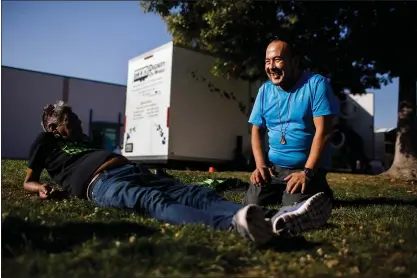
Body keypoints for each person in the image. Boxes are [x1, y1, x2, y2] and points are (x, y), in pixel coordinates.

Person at [24, 102, 279, 245]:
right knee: (153, 201)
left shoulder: (85, 138)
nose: (79, 122)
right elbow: (29, 181)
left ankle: (276, 217)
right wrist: (41, 188)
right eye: (72, 119)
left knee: (194, 193)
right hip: (101, 183)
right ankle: (235, 225)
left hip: (133, 170)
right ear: (53, 127)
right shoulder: (45, 141)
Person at [244, 39, 340, 233]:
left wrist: (308, 172)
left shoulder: (316, 83)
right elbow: (256, 130)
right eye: (267, 61)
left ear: (295, 62)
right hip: (274, 168)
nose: (271, 67)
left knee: (290, 209)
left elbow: (324, 130)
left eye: (278, 60)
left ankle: (318, 187)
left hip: (304, 168)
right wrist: (260, 165)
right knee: (250, 206)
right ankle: (291, 191)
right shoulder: (264, 90)